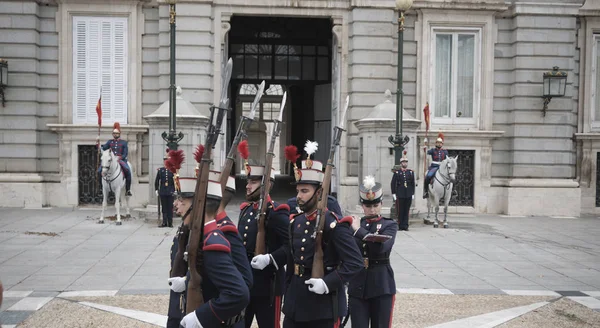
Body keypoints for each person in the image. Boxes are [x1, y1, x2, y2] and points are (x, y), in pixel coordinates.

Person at [251, 153, 363, 328]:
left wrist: (327, 283)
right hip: (296, 304)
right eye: (298, 191)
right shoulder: (296, 222)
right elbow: (291, 258)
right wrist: (288, 293)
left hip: (323, 308)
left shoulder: (334, 225)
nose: (299, 196)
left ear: (319, 193)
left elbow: (355, 263)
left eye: (304, 191)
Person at [172, 177, 250, 328]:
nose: (177, 205)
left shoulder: (212, 243)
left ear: (198, 207)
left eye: (184, 202)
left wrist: (200, 316)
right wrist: (187, 280)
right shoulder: (202, 238)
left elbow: (239, 293)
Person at [237, 162, 290, 328]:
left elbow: (290, 247)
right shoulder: (245, 210)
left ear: (266, 185)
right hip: (246, 283)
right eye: (248, 181)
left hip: (268, 285)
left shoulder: (276, 212)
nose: (247, 186)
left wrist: (270, 259)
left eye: (253, 182)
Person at [348, 176, 398, 328]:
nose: (372, 209)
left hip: (381, 284)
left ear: (381, 204)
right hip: (358, 284)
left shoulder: (389, 225)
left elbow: (380, 247)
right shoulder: (358, 223)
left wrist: (358, 230)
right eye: (368, 206)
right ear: (362, 206)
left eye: (376, 205)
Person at [97, 122, 133, 196]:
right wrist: (99, 144)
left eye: (116, 133)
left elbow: (125, 153)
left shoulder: (124, 142)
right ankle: (101, 188)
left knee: (127, 170)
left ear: (119, 134)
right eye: (114, 133)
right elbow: (104, 148)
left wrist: (120, 158)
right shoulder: (110, 142)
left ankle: (128, 190)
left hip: (120, 160)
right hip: (111, 160)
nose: (115, 134)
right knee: (99, 171)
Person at [391, 151, 415, 231]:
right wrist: (394, 193)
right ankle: (400, 225)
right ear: (401, 163)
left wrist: (413, 193)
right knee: (400, 210)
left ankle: (406, 225)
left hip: (408, 193)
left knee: (406, 210)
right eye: (403, 162)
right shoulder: (397, 172)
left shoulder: (410, 172)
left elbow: (412, 183)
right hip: (400, 194)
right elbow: (393, 183)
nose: (405, 164)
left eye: (406, 162)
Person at [423, 132, 449, 198]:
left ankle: (452, 191)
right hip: (434, 166)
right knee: (428, 176)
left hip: (442, 167)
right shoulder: (433, 150)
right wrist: (425, 147)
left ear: (442, 144)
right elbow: (427, 152)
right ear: (436, 143)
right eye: (438, 143)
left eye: (440, 143)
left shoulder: (445, 151)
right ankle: (426, 191)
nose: (439, 144)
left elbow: (447, 159)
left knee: (451, 177)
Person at [155, 150, 175, 228]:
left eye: (167, 160)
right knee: (164, 208)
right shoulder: (160, 170)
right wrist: (156, 189)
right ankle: (164, 222)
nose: (166, 162)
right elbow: (157, 181)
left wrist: (175, 190)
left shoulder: (173, 170)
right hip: (163, 191)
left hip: (170, 191)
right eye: (165, 160)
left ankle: (170, 222)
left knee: (170, 207)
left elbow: (175, 182)